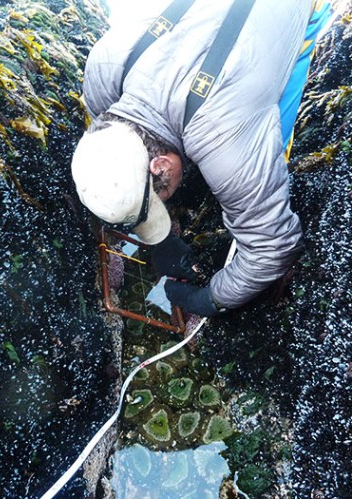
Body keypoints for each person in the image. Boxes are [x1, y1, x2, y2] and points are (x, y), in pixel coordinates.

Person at [71, 0, 332, 317]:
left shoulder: (228, 141)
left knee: (276, 115)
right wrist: (160, 239)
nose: (164, 199)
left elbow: (272, 247)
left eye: (162, 195)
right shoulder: (104, 71)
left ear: (162, 166)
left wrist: (213, 298)